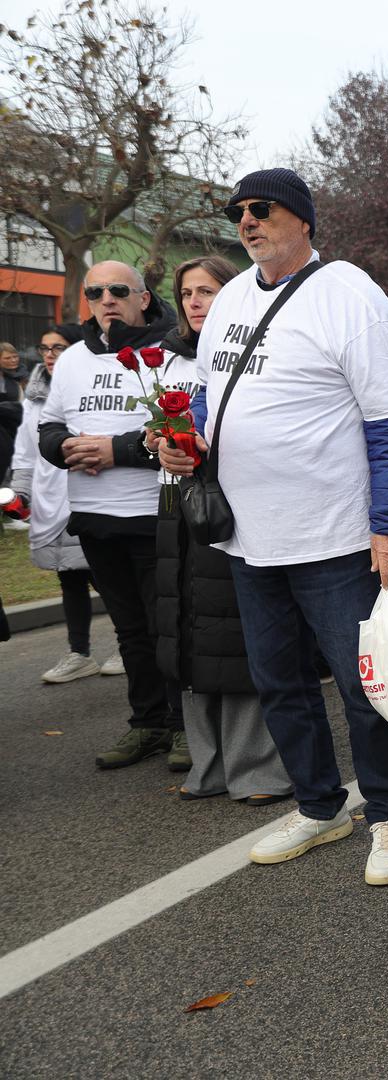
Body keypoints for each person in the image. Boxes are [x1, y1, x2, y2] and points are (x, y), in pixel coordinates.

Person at [159, 167, 388, 886]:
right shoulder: (232, 298)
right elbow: (209, 395)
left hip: (336, 537)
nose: (247, 221)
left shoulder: (351, 296)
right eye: (237, 212)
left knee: (363, 687)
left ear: (302, 219)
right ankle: (319, 805)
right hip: (250, 537)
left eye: (262, 208)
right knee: (279, 682)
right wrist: (185, 440)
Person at [150, 255, 293, 803]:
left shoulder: (256, 347)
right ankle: (207, 764)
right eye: (187, 293)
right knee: (187, 629)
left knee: (232, 633)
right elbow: (151, 433)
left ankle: (256, 767)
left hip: (238, 499)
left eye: (206, 291)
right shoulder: (163, 359)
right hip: (178, 502)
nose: (194, 302)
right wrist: (156, 440)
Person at [39, 261, 185, 768]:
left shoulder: (169, 351)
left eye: (118, 290)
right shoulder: (73, 359)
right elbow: (48, 426)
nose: (106, 299)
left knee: (166, 626)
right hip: (94, 517)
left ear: (143, 298)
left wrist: (115, 450)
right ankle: (147, 724)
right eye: (95, 292)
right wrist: (64, 448)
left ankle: (183, 725)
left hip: (153, 513)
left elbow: (183, 427)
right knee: (128, 631)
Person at [11, 325, 110, 683]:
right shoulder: (34, 398)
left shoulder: (91, 385)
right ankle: (79, 653)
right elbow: (25, 456)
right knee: (69, 578)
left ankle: (130, 644)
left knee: (108, 578)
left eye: (59, 347)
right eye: (45, 348)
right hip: (50, 503)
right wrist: (20, 494)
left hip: (89, 496)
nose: (50, 355)